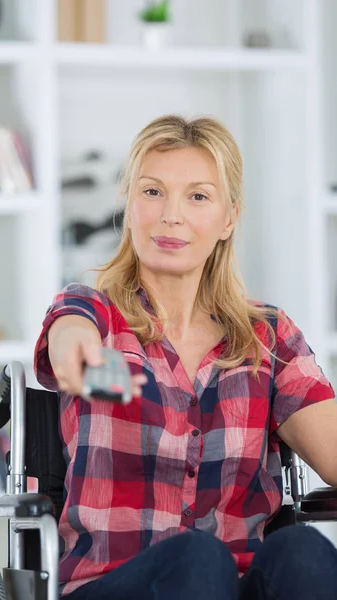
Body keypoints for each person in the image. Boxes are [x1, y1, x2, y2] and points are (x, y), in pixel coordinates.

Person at [34, 115, 337, 600]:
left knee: (301, 550)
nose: (171, 215)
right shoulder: (94, 313)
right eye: (152, 192)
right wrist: (115, 372)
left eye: (197, 196)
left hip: (238, 583)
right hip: (113, 584)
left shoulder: (268, 338)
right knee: (197, 558)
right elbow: (75, 357)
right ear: (130, 204)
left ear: (229, 218)